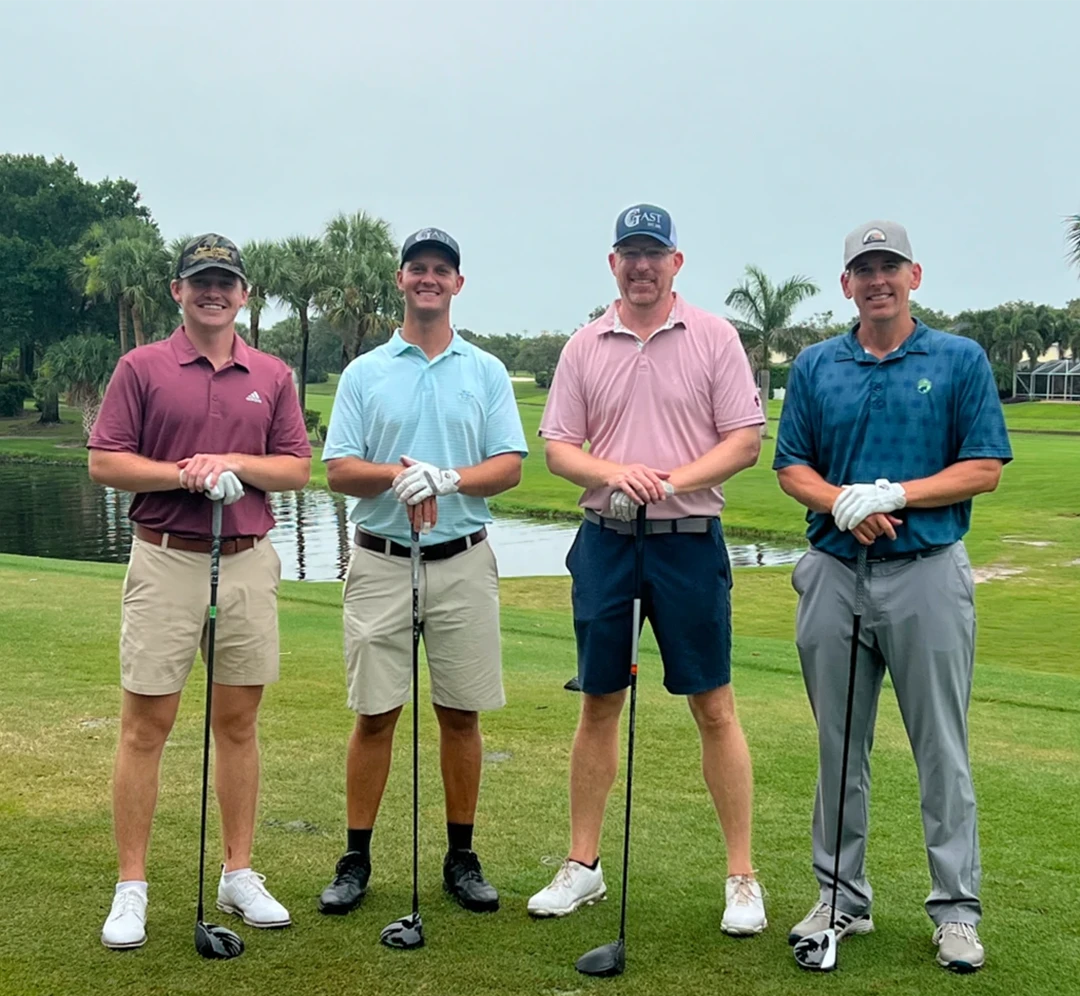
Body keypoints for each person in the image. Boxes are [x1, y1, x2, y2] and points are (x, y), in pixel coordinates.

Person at [774, 220, 1012, 972]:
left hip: (927, 572)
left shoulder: (958, 359)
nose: (878, 280)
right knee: (839, 746)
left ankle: (956, 911)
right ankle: (840, 898)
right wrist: (842, 502)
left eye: (890, 267)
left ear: (915, 275)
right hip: (834, 571)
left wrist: (895, 493)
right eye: (864, 269)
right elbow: (792, 467)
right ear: (846, 283)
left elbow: (983, 466)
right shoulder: (816, 365)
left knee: (940, 746)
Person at [529, 204, 769, 936]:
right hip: (606, 540)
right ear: (614, 264)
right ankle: (583, 865)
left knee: (714, 705)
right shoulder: (584, 345)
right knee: (599, 701)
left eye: (653, 254)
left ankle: (742, 877)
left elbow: (745, 441)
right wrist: (616, 474)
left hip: (688, 540)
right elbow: (559, 449)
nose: (641, 266)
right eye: (629, 254)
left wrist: (668, 481)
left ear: (675, 262)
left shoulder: (714, 337)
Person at [89, 233, 312, 949]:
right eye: (200, 281)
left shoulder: (271, 374)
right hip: (165, 559)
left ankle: (238, 872)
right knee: (146, 724)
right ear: (178, 291)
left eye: (225, 282)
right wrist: (184, 474)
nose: (213, 292)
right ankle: (131, 886)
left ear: (243, 294)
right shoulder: (141, 367)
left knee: (238, 724)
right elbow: (106, 462)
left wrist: (231, 463)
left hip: (246, 560)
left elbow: (296, 468)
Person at [319, 227, 527, 917]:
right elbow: (339, 469)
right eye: (418, 268)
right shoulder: (365, 372)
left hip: (461, 558)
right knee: (375, 714)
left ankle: (461, 857)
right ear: (401, 279)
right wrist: (398, 477)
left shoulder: (486, 370)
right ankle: (355, 858)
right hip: (381, 558)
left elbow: (508, 466)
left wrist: (448, 477)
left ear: (457, 283)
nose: (429, 278)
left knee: (460, 713)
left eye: (441, 269)